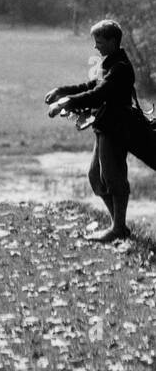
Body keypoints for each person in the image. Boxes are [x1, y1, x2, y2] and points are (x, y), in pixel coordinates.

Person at [45, 18, 138, 243]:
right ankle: (119, 227)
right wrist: (61, 91)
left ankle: (118, 228)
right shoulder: (109, 63)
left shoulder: (120, 68)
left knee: (114, 178)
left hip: (116, 130)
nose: (96, 46)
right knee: (96, 178)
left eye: (100, 42)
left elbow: (98, 95)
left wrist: (65, 103)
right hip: (104, 128)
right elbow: (90, 86)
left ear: (113, 41)